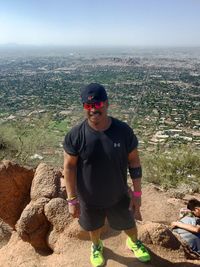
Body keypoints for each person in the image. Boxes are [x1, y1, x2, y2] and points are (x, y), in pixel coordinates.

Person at [63, 83, 150, 266]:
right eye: (88, 106)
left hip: (118, 195)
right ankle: (96, 246)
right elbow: (69, 167)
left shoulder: (123, 131)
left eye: (98, 104)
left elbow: (134, 161)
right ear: (84, 108)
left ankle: (133, 242)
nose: (94, 109)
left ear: (107, 103)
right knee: (93, 227)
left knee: (129, 223)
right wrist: (72, 200)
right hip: (89, 198)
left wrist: (137, 194)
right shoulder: (75, 135)